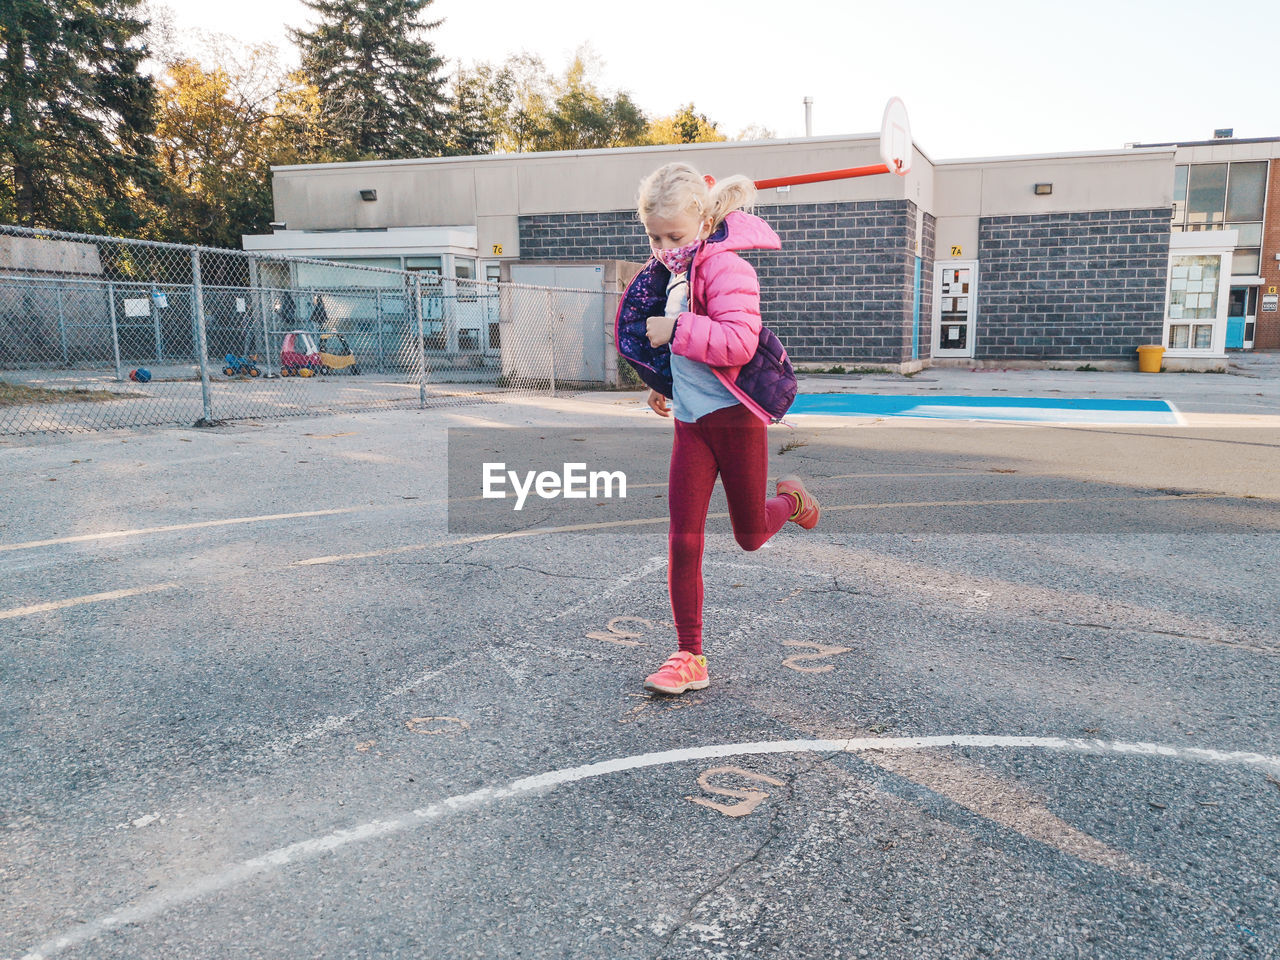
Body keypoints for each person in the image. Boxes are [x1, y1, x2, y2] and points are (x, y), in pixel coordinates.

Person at [615, 161, 820, 696]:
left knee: (750, 536)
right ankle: (690, 654)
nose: (662, 247)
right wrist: (664, 383)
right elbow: (681, 352)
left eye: (673, 235)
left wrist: (676, 329)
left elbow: (738, 343)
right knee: (683, 538)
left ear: (703, 224)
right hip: (691, 423)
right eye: (654, 236)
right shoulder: (674, 273)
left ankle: (792, 502)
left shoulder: (731, 270)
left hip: (736, 420)